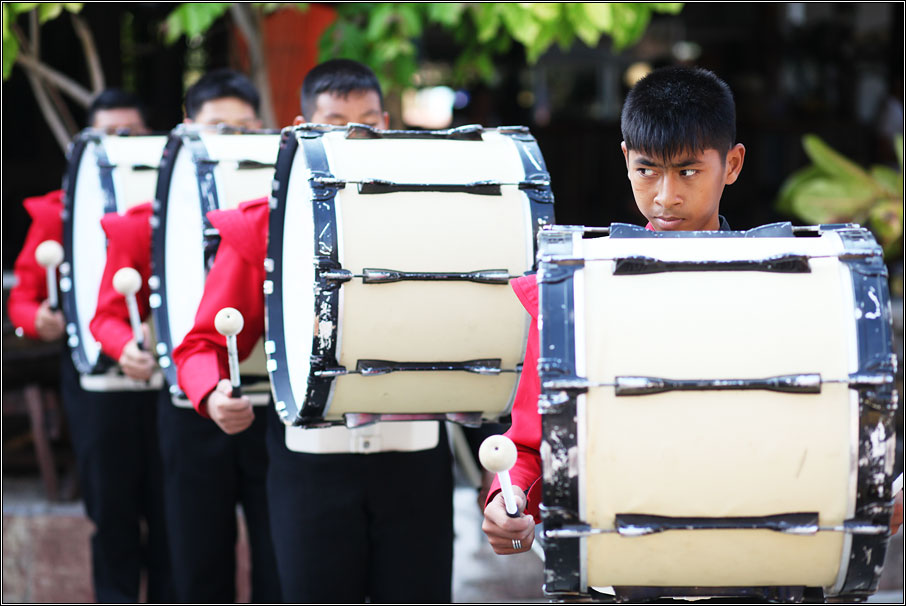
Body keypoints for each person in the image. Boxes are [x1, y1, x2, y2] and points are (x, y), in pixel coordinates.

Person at [172, 58, 460, 603]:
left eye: (367, 122)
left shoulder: (434, 214)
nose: (352, 135)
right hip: (310, 463)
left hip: (417, 456)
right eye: (333, 122)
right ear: (302, 127)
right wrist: (211, 394)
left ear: (387, 123)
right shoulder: (267, 224)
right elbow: (202, 344)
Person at [481, 66, 746, 555]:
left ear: (731, 165)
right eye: (647, 171)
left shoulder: (785, 288)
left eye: (688, 171)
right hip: (616, 562)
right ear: (626, 160)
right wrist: (508, 501)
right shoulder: (575, 288)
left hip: (753, 556)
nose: (665, 197)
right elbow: (530, 444)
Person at [88, 68, 282, 603]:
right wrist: (122, 345)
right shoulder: (145, 223)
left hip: (276, 410)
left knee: (279, 563)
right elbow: (105, 315)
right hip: (190, 409)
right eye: (219, 128)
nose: (232, 140)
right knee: (196, 566)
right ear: (188, 129)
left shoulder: (287, 215)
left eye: (245, 129)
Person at [7, 88, 174, 603]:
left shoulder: (177, 206)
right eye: (107, 135)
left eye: (131, 133)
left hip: (169, 389)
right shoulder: (59, 214)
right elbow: (23, 299)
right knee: (112, 516)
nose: (119, 143)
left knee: (172, 518)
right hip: (95, 390)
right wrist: (35, 320)